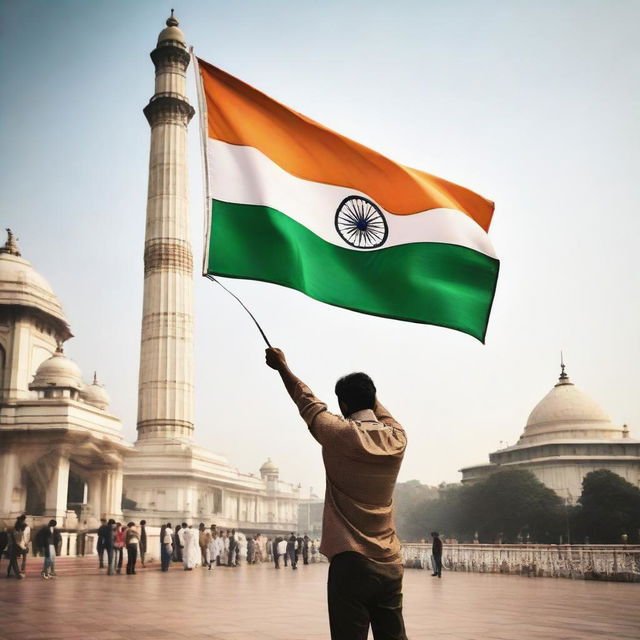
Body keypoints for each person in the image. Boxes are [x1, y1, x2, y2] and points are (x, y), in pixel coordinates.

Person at [266, 347, 408, 640]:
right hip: (390, 562)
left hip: (351, 560)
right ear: (372, 399)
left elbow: (307, 402)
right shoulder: (397, 439)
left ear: (342, 404)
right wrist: (367, 392)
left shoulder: (341, 434)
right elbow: (381, 413)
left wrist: (283, 368)